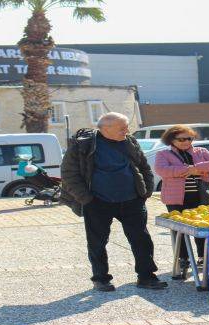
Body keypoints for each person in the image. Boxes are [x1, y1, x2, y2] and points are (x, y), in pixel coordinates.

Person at [60, 113, 166, 292]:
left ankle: (146, 276)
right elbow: (69, 174)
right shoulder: (83, 144)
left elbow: (143, 166)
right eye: (122, 128)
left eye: (126, 127)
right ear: (105, 129)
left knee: (141, 239)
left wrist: (145, 191)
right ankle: (101, 279)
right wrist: (87, 199)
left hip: (132, 200)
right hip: (98, 201)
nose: (127, 131)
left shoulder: (129, 141)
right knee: (97, 242)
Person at [154, 125, 209, 271]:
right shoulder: (163, 154)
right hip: (175, 198)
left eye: (189, 138)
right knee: (178, 229)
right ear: (171, 139)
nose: (186, 141)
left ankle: (203, 256)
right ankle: (183, 259)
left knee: (202, 226)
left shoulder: (201, 151)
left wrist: (197, 167)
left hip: (200, 197)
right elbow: (162, 170)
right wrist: (187, 170)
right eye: (181, 139)